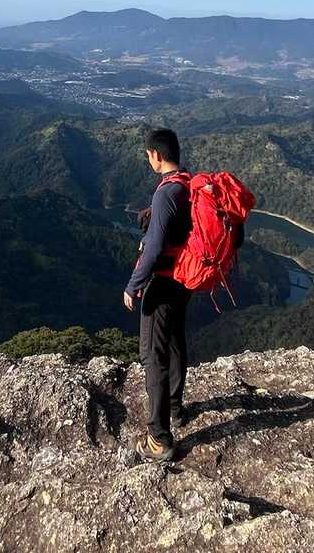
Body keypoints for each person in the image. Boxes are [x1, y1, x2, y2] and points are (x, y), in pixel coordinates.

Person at [123, 127, 193, 462]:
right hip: (184, 280)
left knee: (153, 354)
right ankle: (175, 409)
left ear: (157, 155)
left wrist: (133, 284)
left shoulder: (166, 193)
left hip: (163, 283)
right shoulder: (187, 183)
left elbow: (152, 249)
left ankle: (159, 439)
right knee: (175, 341)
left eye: (148, 154)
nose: (148, 159)